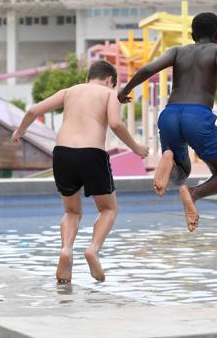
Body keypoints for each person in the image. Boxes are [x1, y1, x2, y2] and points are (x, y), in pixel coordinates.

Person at [11, 60, 149, 283]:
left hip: (62, 154)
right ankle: (93, 249)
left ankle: (66, 249)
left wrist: (19, 131)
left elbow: (33, 110)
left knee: (72, 212)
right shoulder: (109, 93)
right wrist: (136, 147)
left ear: (88, 77)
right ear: (110, 80)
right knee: (108, 208)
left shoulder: (69, 91)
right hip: (91, 154)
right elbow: (115, 123)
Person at [117, 12, 217, 232]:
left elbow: (148, 69)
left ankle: (169, 157)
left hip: (169, 114)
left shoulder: (178, 51)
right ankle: (194, 193)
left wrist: (125, 89)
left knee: (181, 172)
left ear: (192, 34)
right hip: (197, 116)